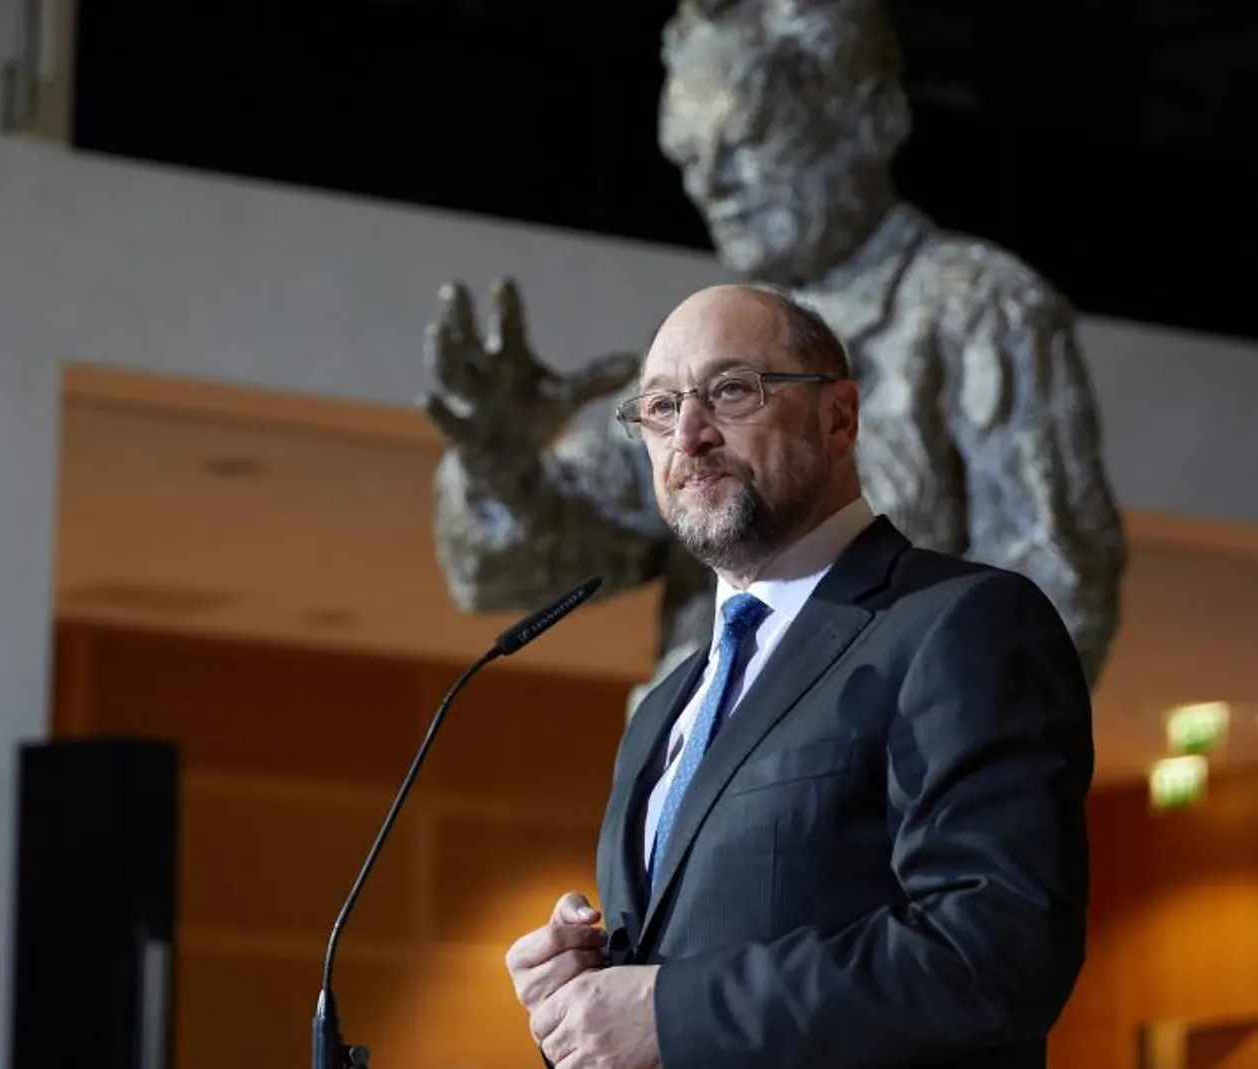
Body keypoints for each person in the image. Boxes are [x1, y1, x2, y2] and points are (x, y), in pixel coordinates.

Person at [421, 0, 1125, 706]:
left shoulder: (978, 310)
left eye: (750, 139)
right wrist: (500, 460)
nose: (710, 184)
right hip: (701, 784)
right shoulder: (703, 349)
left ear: (870, 118)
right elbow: (521, 569)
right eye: (689, 157)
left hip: (882, 785)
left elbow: (1053, 598)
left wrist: (916, 768)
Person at [503, 285, 1092, 1069]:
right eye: (659, 406)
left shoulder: (959, 626)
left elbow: (993, 950)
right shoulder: (667, 709)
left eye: (731, 390)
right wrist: (580, 1001)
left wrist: (668, 1010)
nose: (689, 433)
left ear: (839, 417)